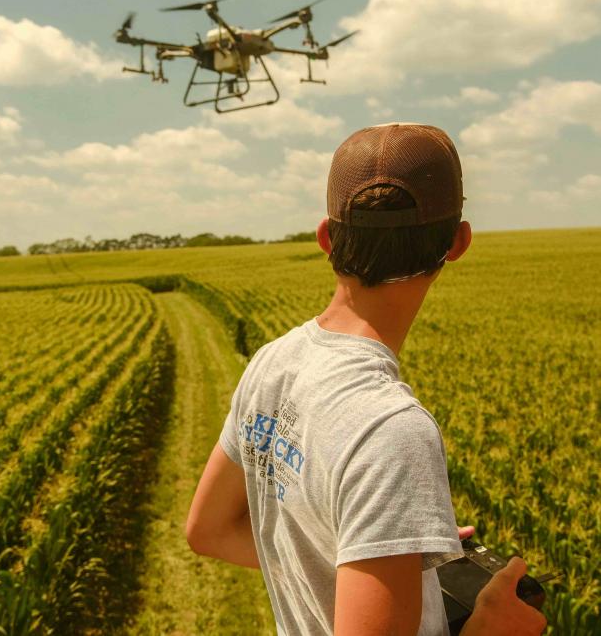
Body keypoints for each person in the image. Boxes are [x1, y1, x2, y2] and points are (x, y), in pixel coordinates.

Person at [185, 123, 547, 636]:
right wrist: (493, 627)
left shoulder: (273, 361)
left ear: (327, 238)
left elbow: (209, 532)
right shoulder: (393, 430)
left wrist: (384, 556)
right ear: (459, 242)